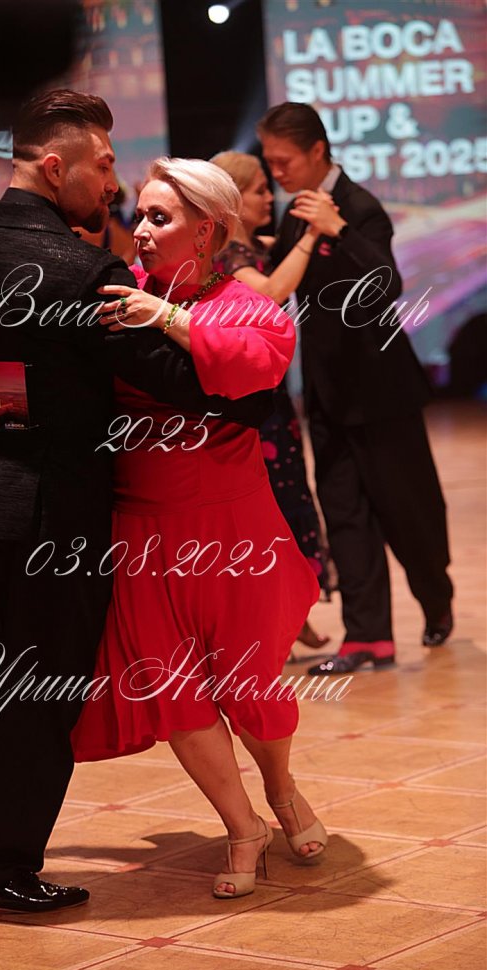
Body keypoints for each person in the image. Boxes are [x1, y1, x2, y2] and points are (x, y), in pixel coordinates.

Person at [0, 90, 278, 918]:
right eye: (104, 164)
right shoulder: (81, 268)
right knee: (42, 693)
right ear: (57, 168)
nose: (112, 182)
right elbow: (177, 382)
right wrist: (222, 356)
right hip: (53, 517)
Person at [71, 157, 326, 899]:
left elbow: (255, 365)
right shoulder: (115, 293)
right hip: (141, 527)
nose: (142, 231)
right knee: (174, 691)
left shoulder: (243, 302)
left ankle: (281, 790)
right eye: (141, 216)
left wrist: (165, 318)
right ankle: (243, 826)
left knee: (252, 687)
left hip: (232, 527)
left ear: (207, 231)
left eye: (161, 217)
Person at [257, 102, 454, 674]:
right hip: (327, 391)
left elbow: (386, 283)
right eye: (270, 162)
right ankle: (368, 638)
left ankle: (436, 597)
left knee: (407, 512)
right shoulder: (297, 211)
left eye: (285, 160)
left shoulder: (360, 207)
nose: (277, 172)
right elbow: (282, 276)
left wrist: (338, 230)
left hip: (383, 391)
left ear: (318, 151)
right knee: (343, 511)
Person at [211, 149, 332, 648]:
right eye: (260, 189)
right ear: (235, 199)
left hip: (274, 401)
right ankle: (281, 620)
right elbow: (271, 292)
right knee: (274, 508)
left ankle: (293, 613)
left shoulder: (251, 247)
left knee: (289, 497)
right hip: (251, 407)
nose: (270, 196)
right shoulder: (226, 258)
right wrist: (313, 234)